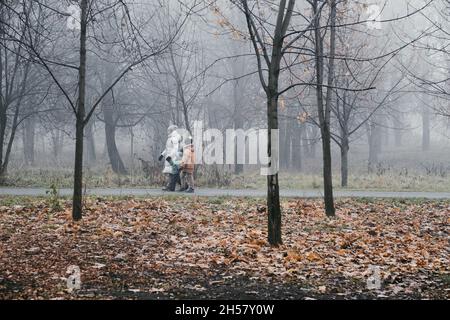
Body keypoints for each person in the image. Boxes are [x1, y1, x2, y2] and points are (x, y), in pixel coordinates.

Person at [159, 125, 182, 191]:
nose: (167, 131)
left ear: (171, 131)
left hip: (173, 158)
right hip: (168, 157)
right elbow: (167, 149)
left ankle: (172, 186)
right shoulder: (170, 138)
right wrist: (162, 155)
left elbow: (175, 149)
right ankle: (175, 186)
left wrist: (170, 156)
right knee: (172, 173)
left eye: (168, 130)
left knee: (173, 173)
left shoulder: (174, 138)